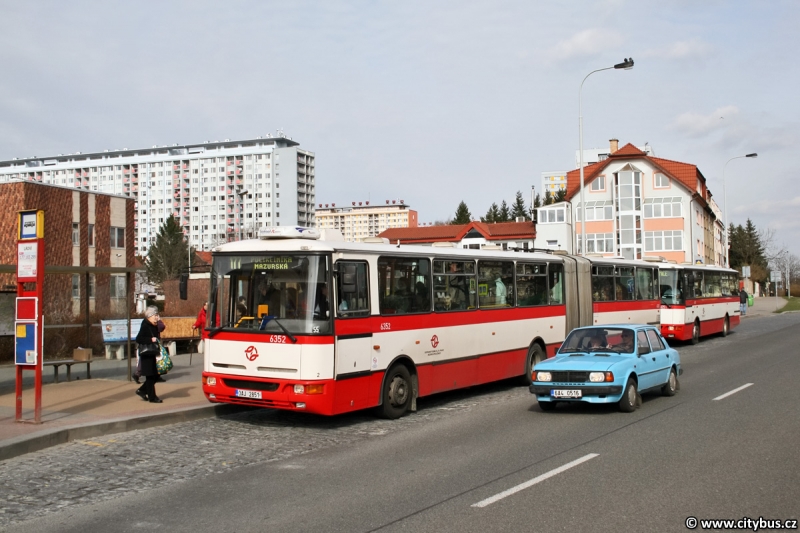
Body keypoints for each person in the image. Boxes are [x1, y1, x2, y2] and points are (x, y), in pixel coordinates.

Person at [135, 306, 163, 403]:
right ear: (150, 316)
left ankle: (142, 390)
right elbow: (138, 339)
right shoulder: (145, 325)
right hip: (146, 354)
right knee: (150, 376)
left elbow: (162, 328)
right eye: (155, 315)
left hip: (152, 353)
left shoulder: (153, 324)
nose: (157, 317)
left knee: (155, 375)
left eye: (157, 315)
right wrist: (150, 340)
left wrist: (158, 321)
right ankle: (152, 397)